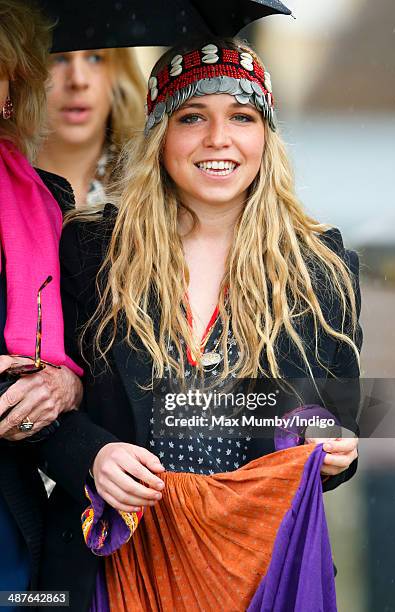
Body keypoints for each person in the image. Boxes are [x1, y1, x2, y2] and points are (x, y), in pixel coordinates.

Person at [39, 37, 362, 610]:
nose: (219, 139)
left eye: (242, 116)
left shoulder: (323, 270)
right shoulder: (91, 252)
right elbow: (42, 407)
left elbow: (339, 422)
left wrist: (326, 438)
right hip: (113, 569)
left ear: (266, 135)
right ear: (160, 134)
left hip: (263, 570)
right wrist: (93, 455)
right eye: (193, 117)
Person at [0, 0, 82, 597]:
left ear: (13, 86)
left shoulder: (50, 202)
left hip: (11, 516)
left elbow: (96, 362)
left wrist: (64, 385)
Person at [36, 47, 146, 208]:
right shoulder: (6, 186)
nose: (78, 80)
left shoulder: (151, 187)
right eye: (58, 58)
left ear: (119, 73)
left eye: (95, 58)